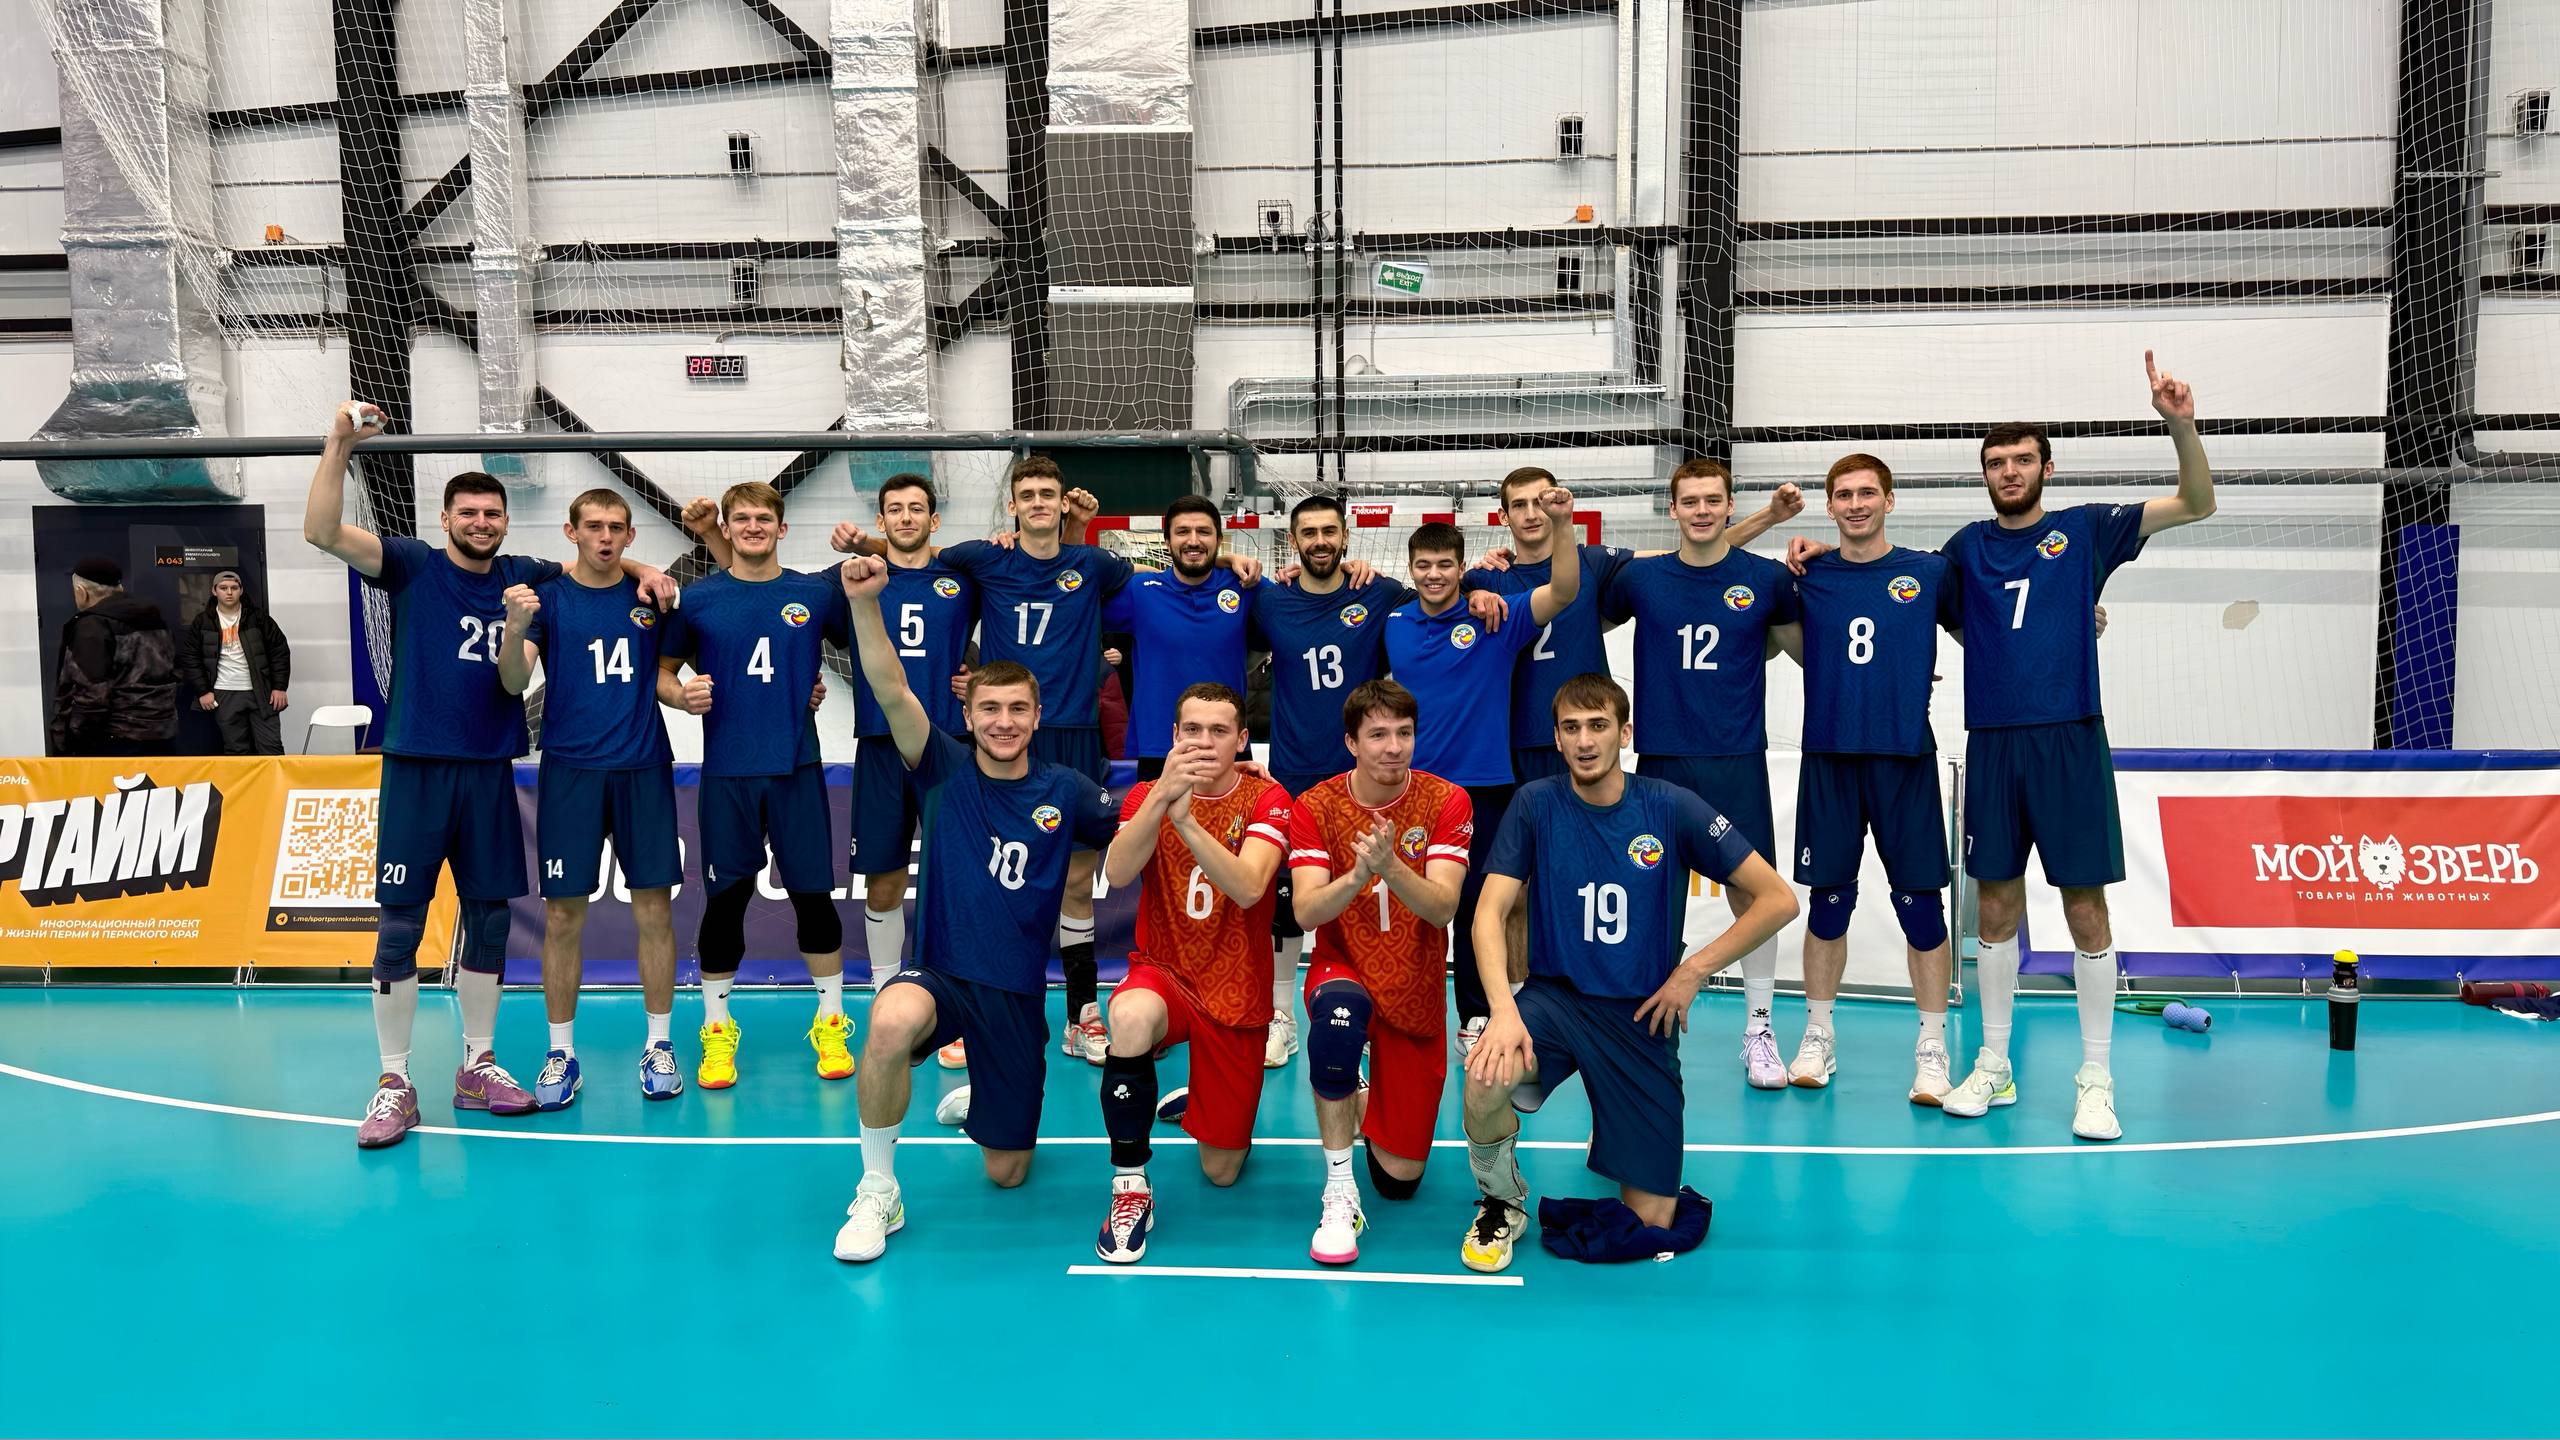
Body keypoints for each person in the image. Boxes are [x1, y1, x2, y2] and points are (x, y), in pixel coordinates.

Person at [1795, 354, 2217, 1142]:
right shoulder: (1962, 549)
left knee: (2084, 908)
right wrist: (1813, 555)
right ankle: (1993, 1063)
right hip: (1990, 741)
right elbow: (1902, 600)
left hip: (2069, 737)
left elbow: (2197, 502)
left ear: (2046, 469)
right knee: (1993, 906)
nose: (2010, 471)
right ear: (1984, 475)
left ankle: (2097, 1076)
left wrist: (2180, 425)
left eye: (2023, 459)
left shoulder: (2086, 529)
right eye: (1996, 462)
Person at [305, 400, 680, 1148]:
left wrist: (646, 570)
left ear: (507, 521)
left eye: (492, 513)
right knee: (401, 923)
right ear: (445, 519)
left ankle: (477, 1065)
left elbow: (596, 565)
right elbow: (321, 531)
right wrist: (338, 444)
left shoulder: (524, 575)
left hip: (489, 770)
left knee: (491, 920)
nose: (481, 523)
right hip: (417, 765)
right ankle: (393, 1080)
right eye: (469, 513)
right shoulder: (412, 565)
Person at [1459, 674, 1799, 1271]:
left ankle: (1617, 1122)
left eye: (1598, 726)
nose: (1585, 741)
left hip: (1642, 1017)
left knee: (1652, 1222)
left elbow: (1778, 899)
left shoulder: (1670, 806)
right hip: (1557, 1002)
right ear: (1556, 739)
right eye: (1571, 728)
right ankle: (1501, 1199)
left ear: (1625, 733)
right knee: (1485, 1075)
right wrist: (1504, 1012)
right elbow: (1488, 914)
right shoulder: (1535, 803)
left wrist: (1692, 972)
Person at [835, 554, 1118, 1263]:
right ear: (967, 714)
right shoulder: (943, 766)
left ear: (1038, 715)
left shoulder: (1067, 789)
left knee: (1007, 1173)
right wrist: (865, 603)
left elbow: (1133, 827)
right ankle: (877, 1190)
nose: (1003, 721)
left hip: (1015, 995)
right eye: (989, 709)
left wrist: (1204, 780)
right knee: (888, 1023)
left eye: (1018, 709)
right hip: (941, 974)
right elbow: (890, 686)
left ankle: (984, 1100)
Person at [852, 457, 1133, 1065]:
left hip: (1074, 732)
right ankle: (964, 1009)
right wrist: (864, 545)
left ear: (1063, 502)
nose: (1038, 503)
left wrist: (1229, 559)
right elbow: (914, 554)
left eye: (1048, 494)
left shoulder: (1094, 563)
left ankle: (1082, 1012)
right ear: (1012, 506)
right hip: (1003, 736)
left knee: (1077, 882)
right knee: (984, 877)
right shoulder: (982, 558)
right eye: (1027, 495)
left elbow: (1164, 573)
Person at [1248, 494, 1498, 1069]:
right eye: (1308, 532)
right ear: (1293, 541)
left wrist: (1481, 586)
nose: (1319, 541)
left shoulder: (1380, 594)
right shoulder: (1271, 600)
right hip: (1295, 771)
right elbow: (1213, 582)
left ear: (1346, 537)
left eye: (1329, 531)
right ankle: (1282, 1014)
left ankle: (1375, 1006)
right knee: (1286, 898)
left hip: (1366, 774)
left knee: (1374, 890)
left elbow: (1438, 591)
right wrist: (1233, 558)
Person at [498, 488, 719, 1107]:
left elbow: (664, 677)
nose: (605, 536)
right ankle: (560, 1054)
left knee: (654, 911)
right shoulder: (550, 600)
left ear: (630, 536)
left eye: (616, 527)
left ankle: (659, 1045)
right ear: (571, 532)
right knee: (563, 917)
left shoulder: (652, 597)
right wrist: (514, 628)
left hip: (643, 768)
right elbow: (513, 681)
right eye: (593, 526)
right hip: (570, 772)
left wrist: (684, 698)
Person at [1600, 459, 1803, 1088]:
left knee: (1754, 893)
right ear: (1672, 509)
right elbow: (1579, 621)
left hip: (1736, 758)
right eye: (1689, 501)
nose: (1702, 510)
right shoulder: (1641, 578)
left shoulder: (1767, 579)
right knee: (1650, 890)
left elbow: (1808, 651)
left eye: (1713, 500)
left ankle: (1760, 1029)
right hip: (1661, 761)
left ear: (1729, 503)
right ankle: (1635, 1022)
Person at [654, 481, 858, 1092]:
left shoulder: (814, 593)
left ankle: (831, 1022)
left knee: (814, 900)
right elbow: (661, 673)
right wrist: (681, 697)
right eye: (740, 518)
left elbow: (865, 637)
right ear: (727, 528)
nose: (752, 527)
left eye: (763, 518)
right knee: (726, 902)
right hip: (727, 775)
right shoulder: (697, 599)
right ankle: (716, 1031)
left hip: (798, 769)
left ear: (781, 527)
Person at [1778, 455, 1962, 1101]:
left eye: (1866, 493)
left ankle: (1932, 1046)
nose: (1855, 504)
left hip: (1903, 757)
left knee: (1921, 909)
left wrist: (2080, 619)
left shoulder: (1930, 572)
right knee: (1828, 905)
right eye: (1844, 495)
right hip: (1830, 756)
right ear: (1829, 505)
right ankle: (1818, 1034)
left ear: (1890, 499)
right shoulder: (1806, 575)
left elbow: (1988, 626)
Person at [1091, 682, 1292, 1262]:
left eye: (1219, 731)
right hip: (1167, 974)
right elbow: (1118, 873)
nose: (1205, 742)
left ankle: (1201, 1096)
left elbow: (1249, 888)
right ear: (1175, 735)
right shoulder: (1145, 794)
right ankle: (1130, 1186)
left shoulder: (1267, 798)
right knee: (1128, 1016)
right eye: (1193, 730)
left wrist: (1187, 823)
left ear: (1242, 739)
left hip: (1237, 989)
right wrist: (1162, 800)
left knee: (1222, 1171)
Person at [1382, 488, 1579, 1052]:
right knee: (1407, 906)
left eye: (1445, 565)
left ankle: (1475, 1017)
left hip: (1483, 789)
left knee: (1476, 908)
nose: (1434, 575)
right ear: (1411, 569)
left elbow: (1564, 590)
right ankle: (1395, 1015)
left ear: (1460, 567)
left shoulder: (1497, 618)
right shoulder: (1392, 621)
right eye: (1424, 565)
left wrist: (1563, 522)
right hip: (1412, 789)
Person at [1285, 679, 1472, 1265]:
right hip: (1343, 966)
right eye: (1378, 735)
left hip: (1415, 982)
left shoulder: (1447, 801)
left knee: (1399, 1180)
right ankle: (1339, 1190)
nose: (1394, 747)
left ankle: (1358, 1093)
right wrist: (1358, 875)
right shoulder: (1316, 806)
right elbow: (1306, 912)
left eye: (1404, 733)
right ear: (1351, 742)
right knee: (1338, 1022)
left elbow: (1443, 907)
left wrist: (1389, 865)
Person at [840, 474, 977, 1009]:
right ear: (881, 520)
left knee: (956, 878)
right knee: (884, 880)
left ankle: (954, 998)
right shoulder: (854, 576)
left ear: (934, 520)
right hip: (880, 742)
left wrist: (980, 674)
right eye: (894, 509)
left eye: (916, 508)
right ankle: (887, 996)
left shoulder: (963, 580)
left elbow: (1013, 624)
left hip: (948, 743)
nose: (905, 517)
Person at [51, 556, 177, 758]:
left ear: (81, 592)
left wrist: (71, 743)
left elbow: (92, 697)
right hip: (162, 735)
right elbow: (174, 671)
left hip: (112, 742)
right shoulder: (154, 619)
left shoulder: (92, 626)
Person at [178, 570, 291, 755]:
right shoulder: (203, 621)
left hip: (261, 692)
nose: (229, 592)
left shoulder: (258, 618)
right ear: (214, 591)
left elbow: (280, 651)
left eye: (234, 588)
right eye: (223, 588)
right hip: (224, 692)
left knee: (271, 748)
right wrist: (203, 691)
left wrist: (280, 687)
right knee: (236, 750)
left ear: (241, 590)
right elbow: (191, 658)